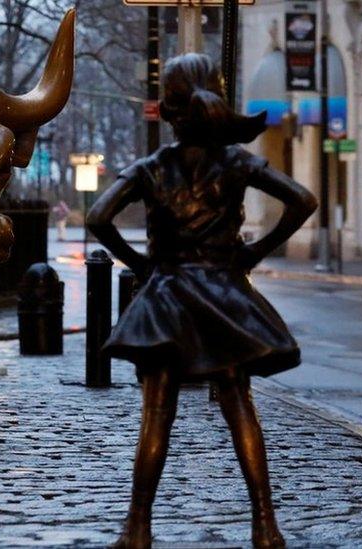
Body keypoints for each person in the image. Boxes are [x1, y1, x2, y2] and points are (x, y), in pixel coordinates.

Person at [86, 53, 317, 549]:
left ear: (167, 111)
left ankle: (138, 528)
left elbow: (99, 217)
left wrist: (141, 264)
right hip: (223, 295)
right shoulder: (235, 162)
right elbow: (303, 200)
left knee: (157, 414)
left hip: (167, 298)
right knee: (239, 405)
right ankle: (265, 527)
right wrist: (252, 252)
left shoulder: (153, 167)